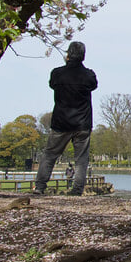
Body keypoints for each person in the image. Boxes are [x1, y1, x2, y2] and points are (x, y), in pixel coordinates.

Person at [34, 41, 98, 196]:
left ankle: (40, 186)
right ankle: (77, 189)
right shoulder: (88, 75)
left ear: (68, 54)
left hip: (61, 122)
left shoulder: (57, 73)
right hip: (82, 123)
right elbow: (93, 85)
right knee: (81, 159)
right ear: (83, 56)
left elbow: (52, 84)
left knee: (49, 155)